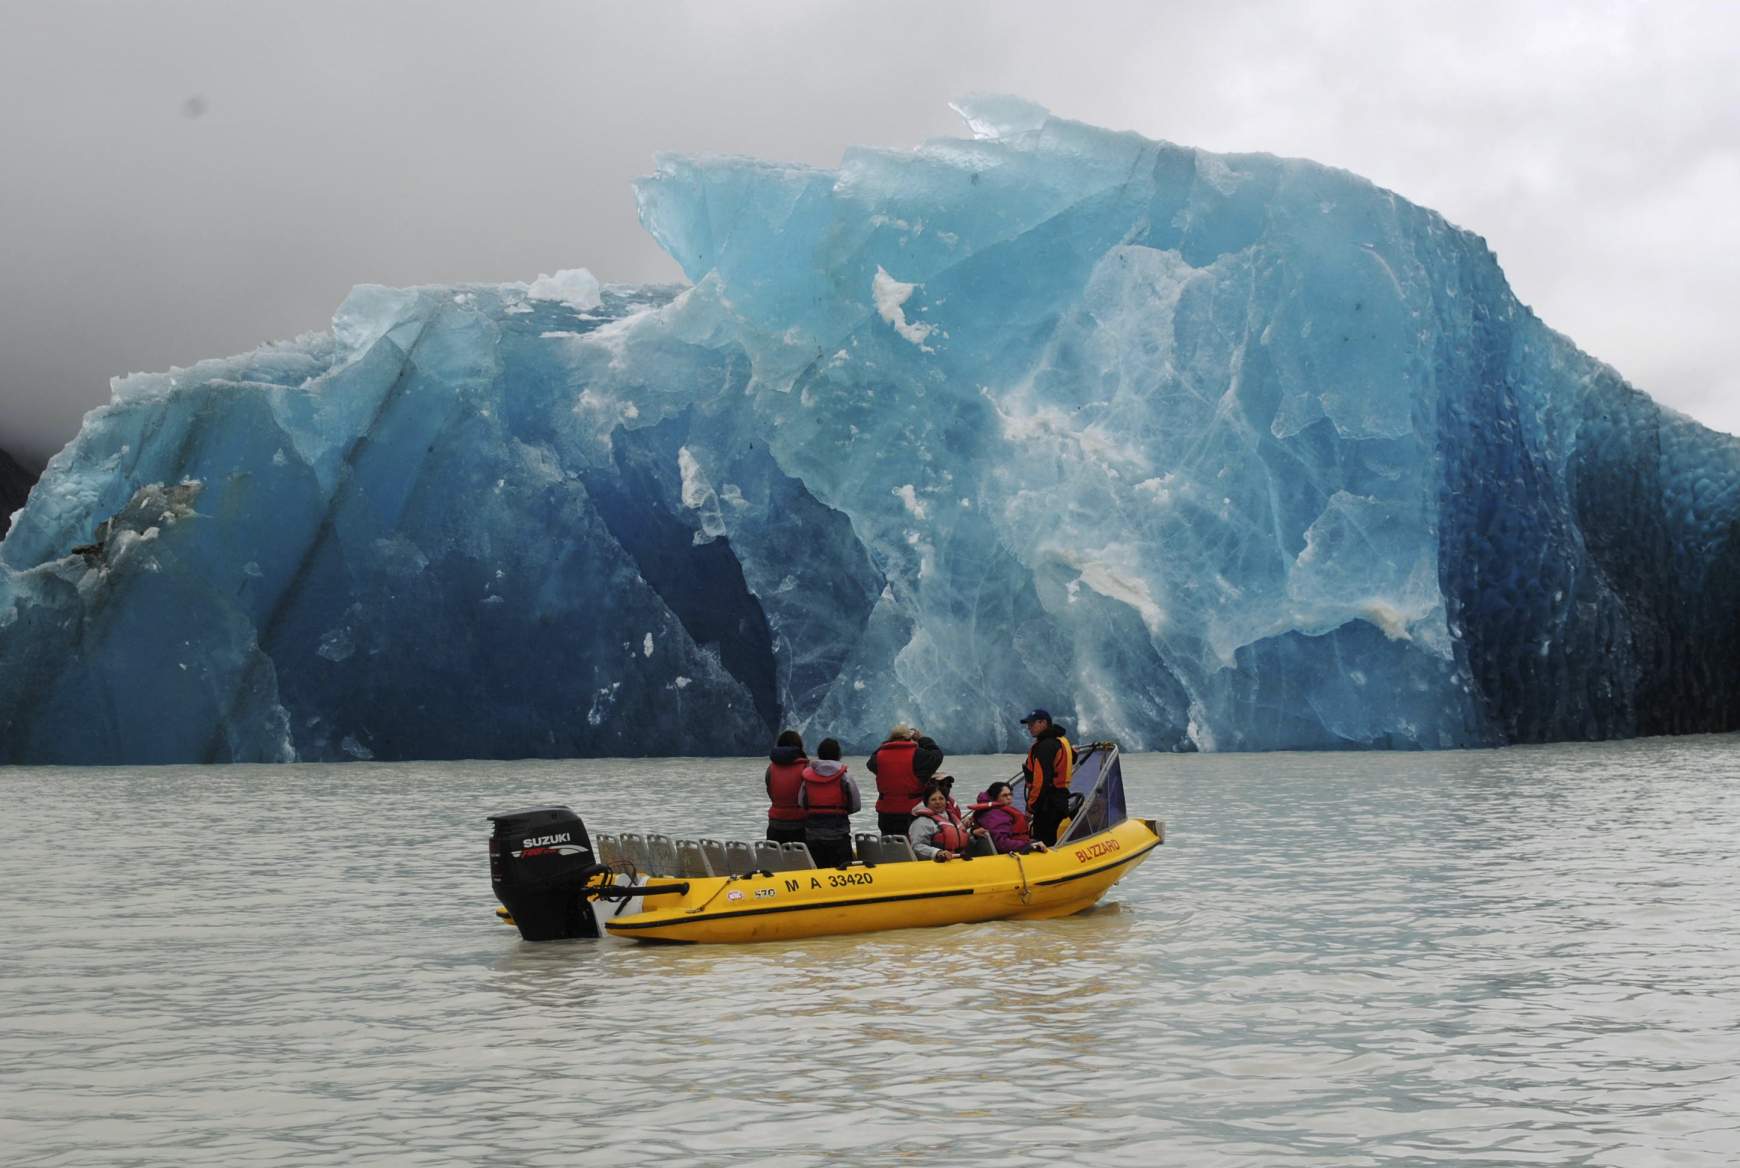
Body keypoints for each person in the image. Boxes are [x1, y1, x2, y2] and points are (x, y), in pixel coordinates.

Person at [867, 723, 941, 837]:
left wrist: (888, 743)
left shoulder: (879, 756)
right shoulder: (918, 755)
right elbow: (937, 756)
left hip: (886, 813)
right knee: (913, 842)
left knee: (889, 842)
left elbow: (871, 761)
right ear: (909, 738)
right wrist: (922, 739)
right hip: (912, 811)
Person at [798, 738, 861, 868]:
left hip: (813, 834)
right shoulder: (845, 777)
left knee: (818, 868)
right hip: (839, 834)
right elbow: (855, 805)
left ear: (819, 753)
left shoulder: (808, 778)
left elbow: (801, 802)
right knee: (843, 868)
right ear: (838, 754)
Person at [1019, 708, 1074, 846]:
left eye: (1032, 724)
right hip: (1060, 799)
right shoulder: (1060, 741)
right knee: (1054, 837)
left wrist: (1031, 807)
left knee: (1044, 839)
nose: (1029, 728)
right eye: (1028, 725)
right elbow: (1073, 756)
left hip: (1047, 804)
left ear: (1043, 723)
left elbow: (1040, 781)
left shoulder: (1045, 746)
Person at [907, 783, 984, 863]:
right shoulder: (921, 821)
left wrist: (973, 833)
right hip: (936, 862)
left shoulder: (951, 817)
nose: (938, 802)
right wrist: (937, 852)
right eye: (933, 799)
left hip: (958, 860)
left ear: (946, 801)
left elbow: (957, 837)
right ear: (927, 802)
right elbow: (917, 846)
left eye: (941, 798)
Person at [969, 781, 1049, 855]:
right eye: (1004, 795)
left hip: (1017, 845)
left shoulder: (997, 811)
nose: (1009, 798)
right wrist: (1028, 845)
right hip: (1010, 852)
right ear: (994, 797)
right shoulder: (995, 815)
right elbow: (1001, 843)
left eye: (1010, 794)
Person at [763, 730, 810, 845]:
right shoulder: (805, 768)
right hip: (800, 825)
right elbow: (808, 797)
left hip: (775, 825)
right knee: (801, 861)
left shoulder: (771, 768)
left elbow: (770, 792)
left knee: (776, 861)